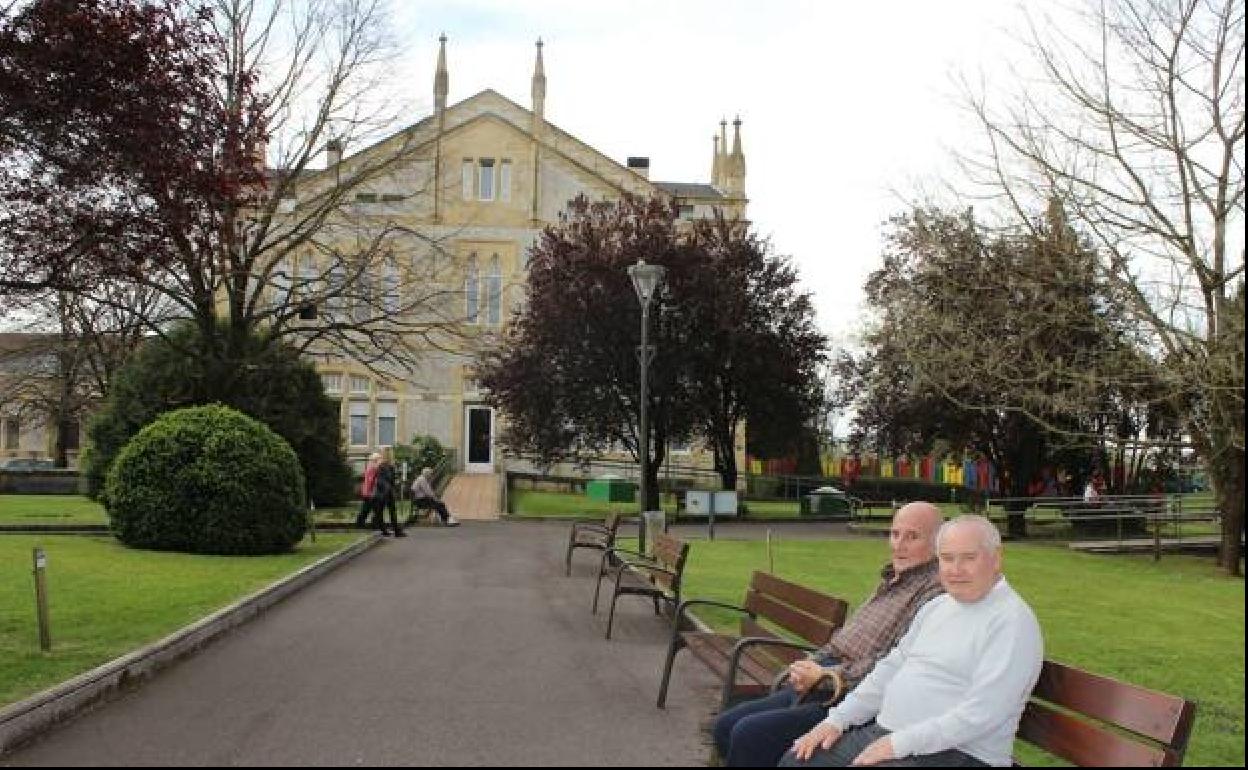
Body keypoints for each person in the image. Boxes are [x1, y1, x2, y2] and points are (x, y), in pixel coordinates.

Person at [782, 515, 1043, 768]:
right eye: (947, 558)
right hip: (891, 734)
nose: (955, 569)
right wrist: (836, 721)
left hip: (960, 752)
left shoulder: (1011, 622)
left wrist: (897, 744)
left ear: (996, 558)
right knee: (797, 759)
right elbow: (889, 669)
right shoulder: (938, 606)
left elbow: (983, 714)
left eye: (968, 558)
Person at [712, 502, 946, 767]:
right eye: (895, 534)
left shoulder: (933, 592)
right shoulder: (893, 578)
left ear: (938, 543)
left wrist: (825, 675)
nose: (899, 545)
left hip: (849, 695)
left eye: (912, 536)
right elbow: (841, 641)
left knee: (750, 734)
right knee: (725, 726)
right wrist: (809, 665)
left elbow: (890, 661)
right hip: (821, 678)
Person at [371, 448, 405, 537]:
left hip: (382, 492)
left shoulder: (381, 466)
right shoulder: (387, 466)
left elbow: (380, 480)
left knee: (381, 512)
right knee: (391, 511)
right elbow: (389, 479)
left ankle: (385, 530)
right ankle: (395, 531)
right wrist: (393, 486)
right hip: (387, 492)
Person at [353, 453, 381, 529]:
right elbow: (371, 481)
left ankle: (361, 523)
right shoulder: (373, 468)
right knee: (374, 509)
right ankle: (373, 524)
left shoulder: (370, 467)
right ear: (375, 460)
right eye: (379, 459)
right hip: (371, 492)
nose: (380, 461)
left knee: (367, 509)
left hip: (368, 492)